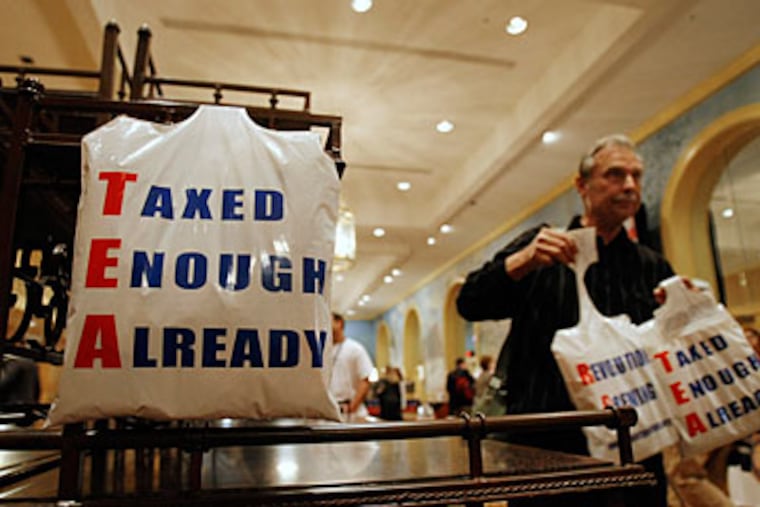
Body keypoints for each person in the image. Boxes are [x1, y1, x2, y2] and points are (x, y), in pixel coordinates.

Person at [456, 134, 674, 507]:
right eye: (616, 174)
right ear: (582, 185)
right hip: (547, 451)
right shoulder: (539, 248)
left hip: (633, 448)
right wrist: (520, 262)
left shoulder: (650, 265)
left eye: (636, 176)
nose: (630, 186)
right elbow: (470, 303)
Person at [329, 313, 374, 421]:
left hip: (350, 411)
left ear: (339, 323)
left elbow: (365, 380)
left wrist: (353, 406)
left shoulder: (355, 349)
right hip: (330, 410)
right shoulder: (324, 350)